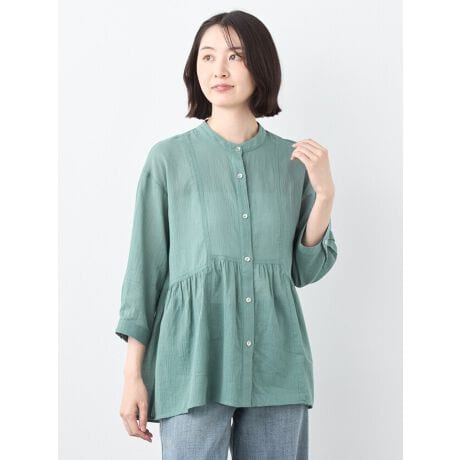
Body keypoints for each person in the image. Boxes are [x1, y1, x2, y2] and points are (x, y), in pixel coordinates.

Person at [115, 9, 338, 459]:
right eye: (208, 56)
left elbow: (305, 269)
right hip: (191, 363)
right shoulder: (168, 160)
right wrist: (132, 376)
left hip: (278, 363)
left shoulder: (293, 163)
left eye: (235, 56)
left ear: (261, 65)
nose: (219, 69)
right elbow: (145, 271)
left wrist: (325, 194)